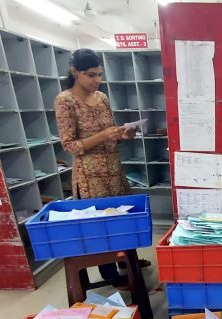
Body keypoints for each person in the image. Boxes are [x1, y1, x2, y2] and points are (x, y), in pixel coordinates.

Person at [54, 48, 150, 288]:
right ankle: (110, 273)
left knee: (121, 217)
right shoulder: (65, 100)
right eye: (91, 75)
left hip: (113, 168)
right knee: (100, 224)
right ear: (75, 73)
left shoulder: (102, 97)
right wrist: (102, 136)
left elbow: (111, 132)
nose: (97, 80)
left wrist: (122, 135)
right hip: (89, 174)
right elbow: (69, 145)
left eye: (99, 74)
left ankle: (126, 262)